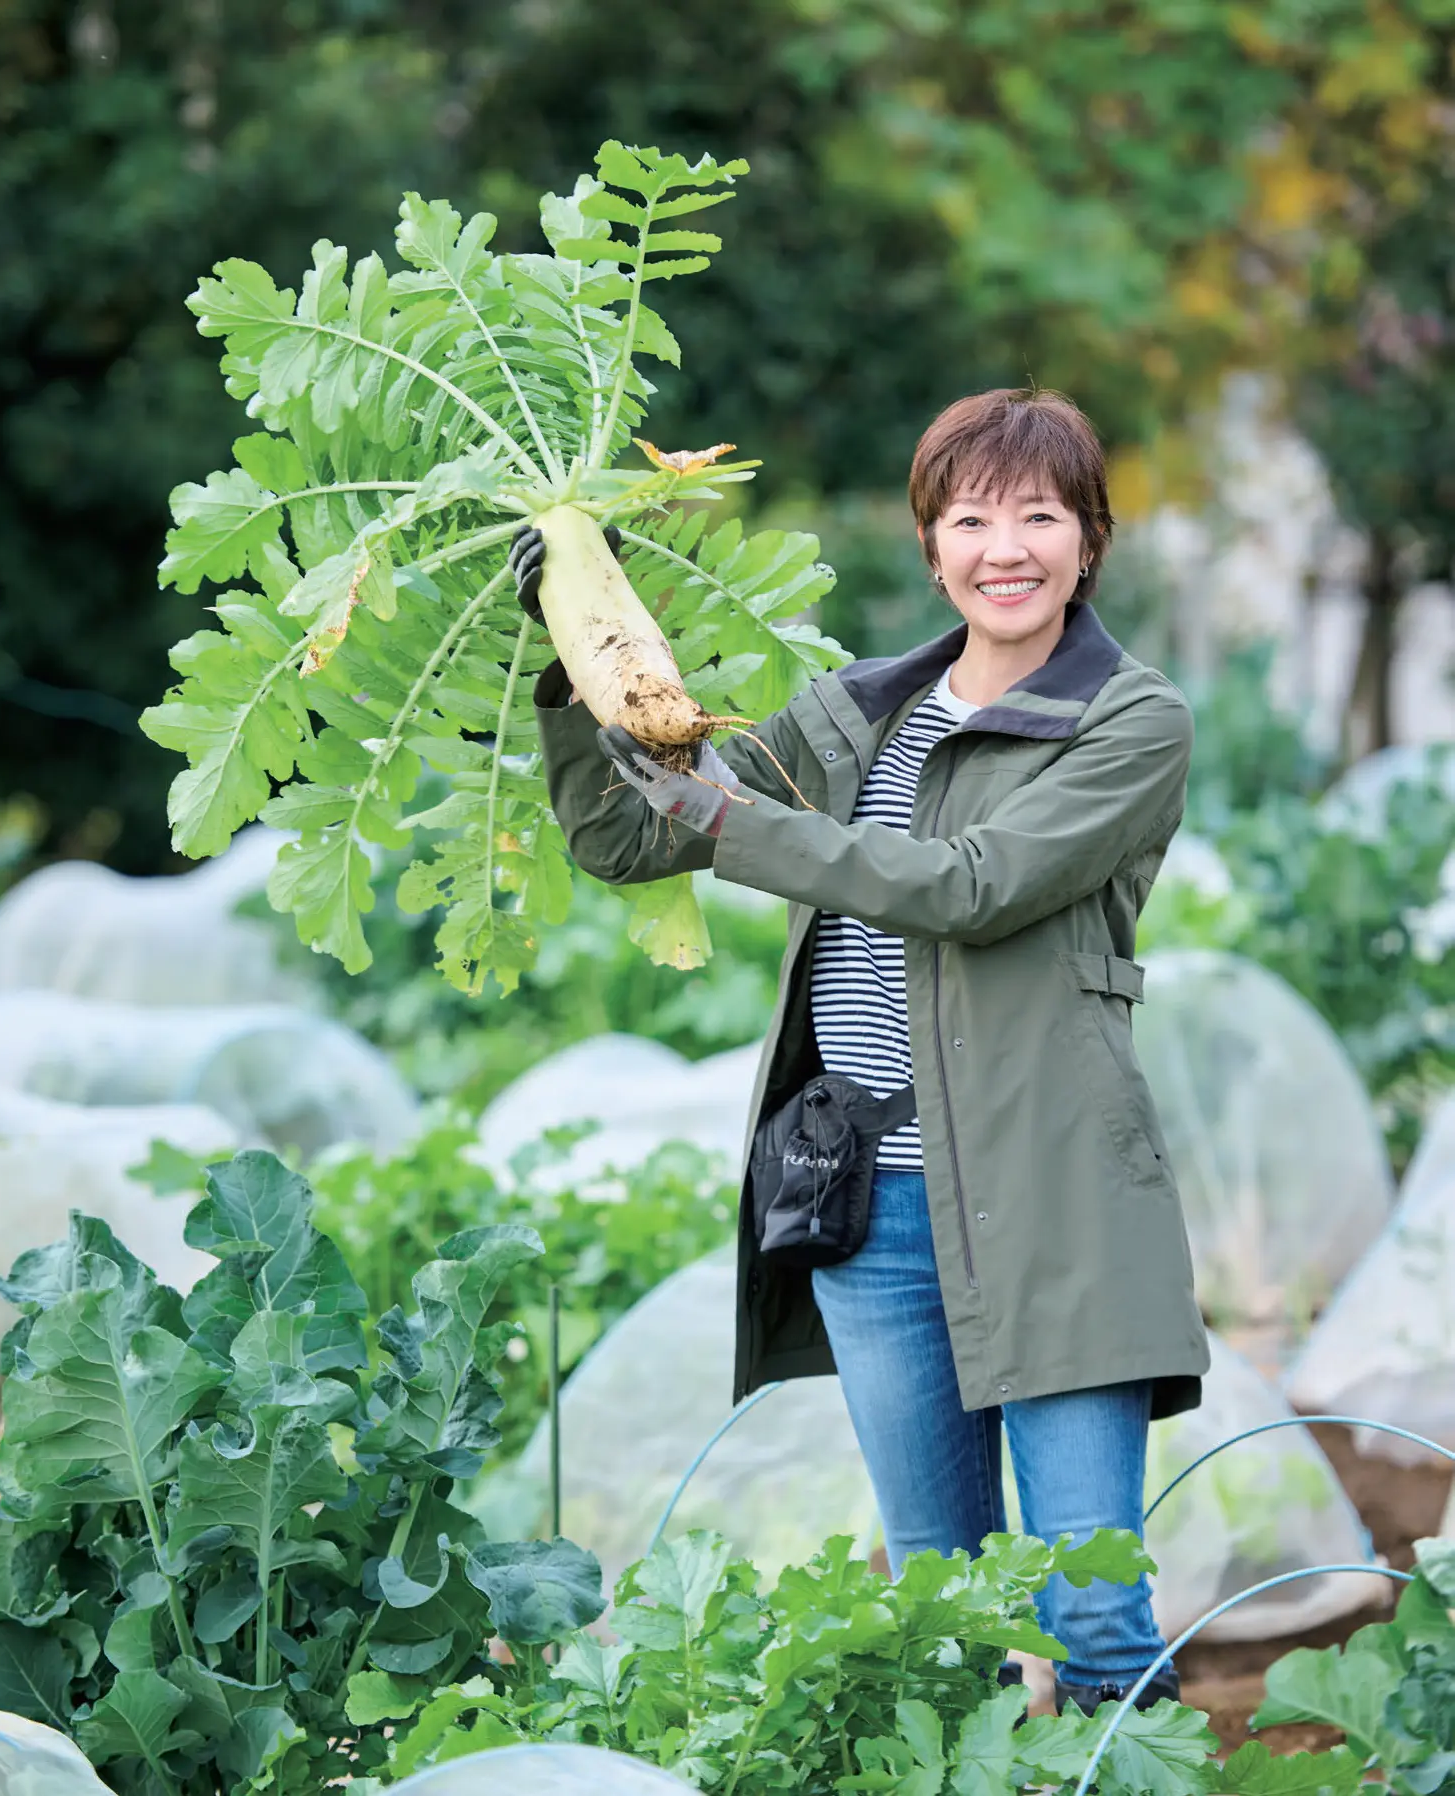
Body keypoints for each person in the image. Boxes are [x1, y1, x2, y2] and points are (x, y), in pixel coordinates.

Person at [516, 387, 1210, 1717]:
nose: (1004, 548)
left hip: (1050, 1194)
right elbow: (627, 838)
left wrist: (725, 818)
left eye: (1038, 516)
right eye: (970, 519)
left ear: (1088, 538)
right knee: (936, 1617)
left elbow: (968, 887)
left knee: (1094, 1618)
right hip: (866, 1207)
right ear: (930, 547)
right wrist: (569, 656)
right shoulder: (852, 715)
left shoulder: (1129, 719)